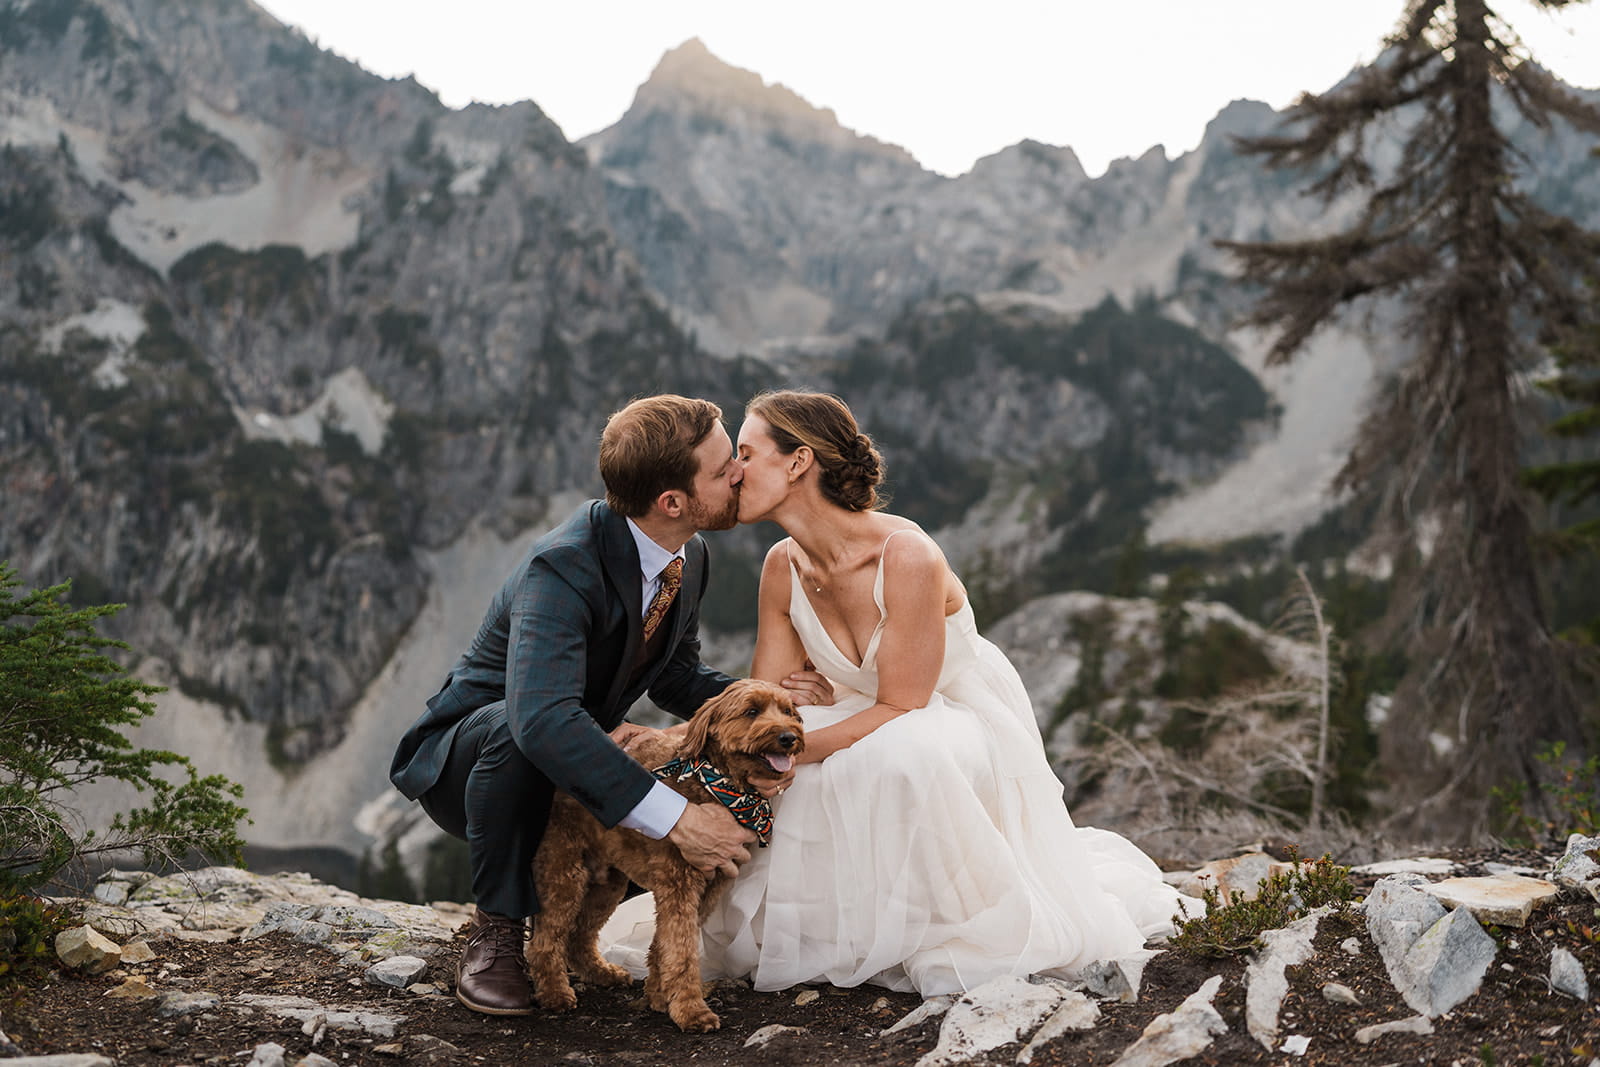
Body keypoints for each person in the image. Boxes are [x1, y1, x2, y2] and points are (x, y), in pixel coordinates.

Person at [602, 390, 1190, 996]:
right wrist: (678, 739)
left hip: (946, 710)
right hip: (858, 707)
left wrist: (792, 750)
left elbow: (904, 703)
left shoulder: (906, 555)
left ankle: (919, 927)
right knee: (780, 777)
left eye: (746, 453)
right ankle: (831, 928)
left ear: (798, 463)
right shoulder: (782, 566)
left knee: (902, 758)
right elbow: (767, 695)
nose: (733, 471)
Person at [389, 394, 829, 1016]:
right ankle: (496, 933)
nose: (739, 471)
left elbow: (674, 675)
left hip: (570, 744)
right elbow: (542, 719)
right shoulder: (562, 568)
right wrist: (679, 819)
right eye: (723, 464)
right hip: (475, 761)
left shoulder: (687, 552)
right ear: (671, 502)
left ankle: (574, 944)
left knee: (587, 751)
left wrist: (766, 707)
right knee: (522, 728)